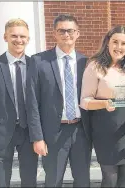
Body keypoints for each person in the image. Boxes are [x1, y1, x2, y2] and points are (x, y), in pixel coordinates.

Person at [26, 14, 92, 187]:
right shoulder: (38, 61)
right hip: (52, 133)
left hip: (81, 132)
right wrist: (37, 137)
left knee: (83, 180)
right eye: (61, 30)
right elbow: (32, 102)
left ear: (78, 33)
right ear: (54, 33)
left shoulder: (86, 62)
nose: (66, 34)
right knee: (53, 180)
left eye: (70, 30)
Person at [80, 25, 125, 187]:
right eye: (115, 42)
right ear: (107, 42)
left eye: (123, 44)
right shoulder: (95, 66)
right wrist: (105, 103)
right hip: (105, 129)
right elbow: (85, 101)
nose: (119, 47)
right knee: (110, 178)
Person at [0, 18, 38, 187]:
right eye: (14, 35)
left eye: (23, 36)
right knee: (0, 182)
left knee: (30, 180)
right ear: (5, 37)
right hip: (0, 134)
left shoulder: (36, 65)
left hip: (29, 132)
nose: (19, 40)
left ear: (28, 39)